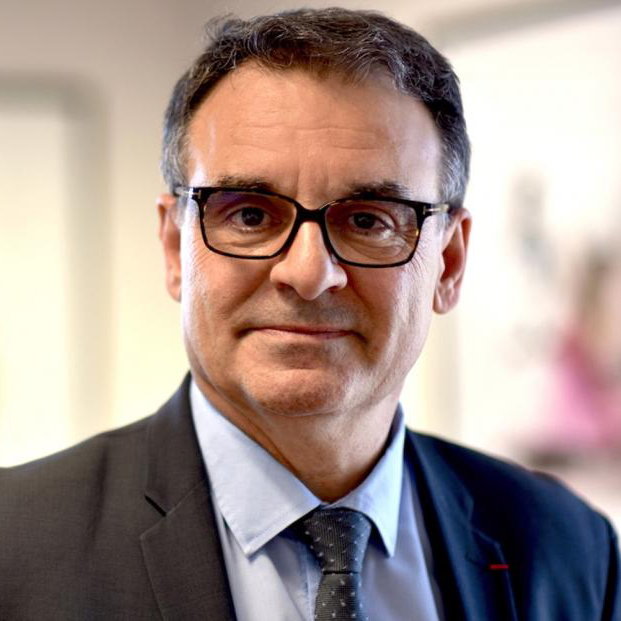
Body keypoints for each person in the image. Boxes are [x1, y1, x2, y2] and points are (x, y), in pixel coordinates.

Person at [0, 8, 619, 620]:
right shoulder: (15, 552)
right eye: (249, 215)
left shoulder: (569, 550)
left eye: (368, 220)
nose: (307, 273)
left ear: (449, 263)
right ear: (174, 248)